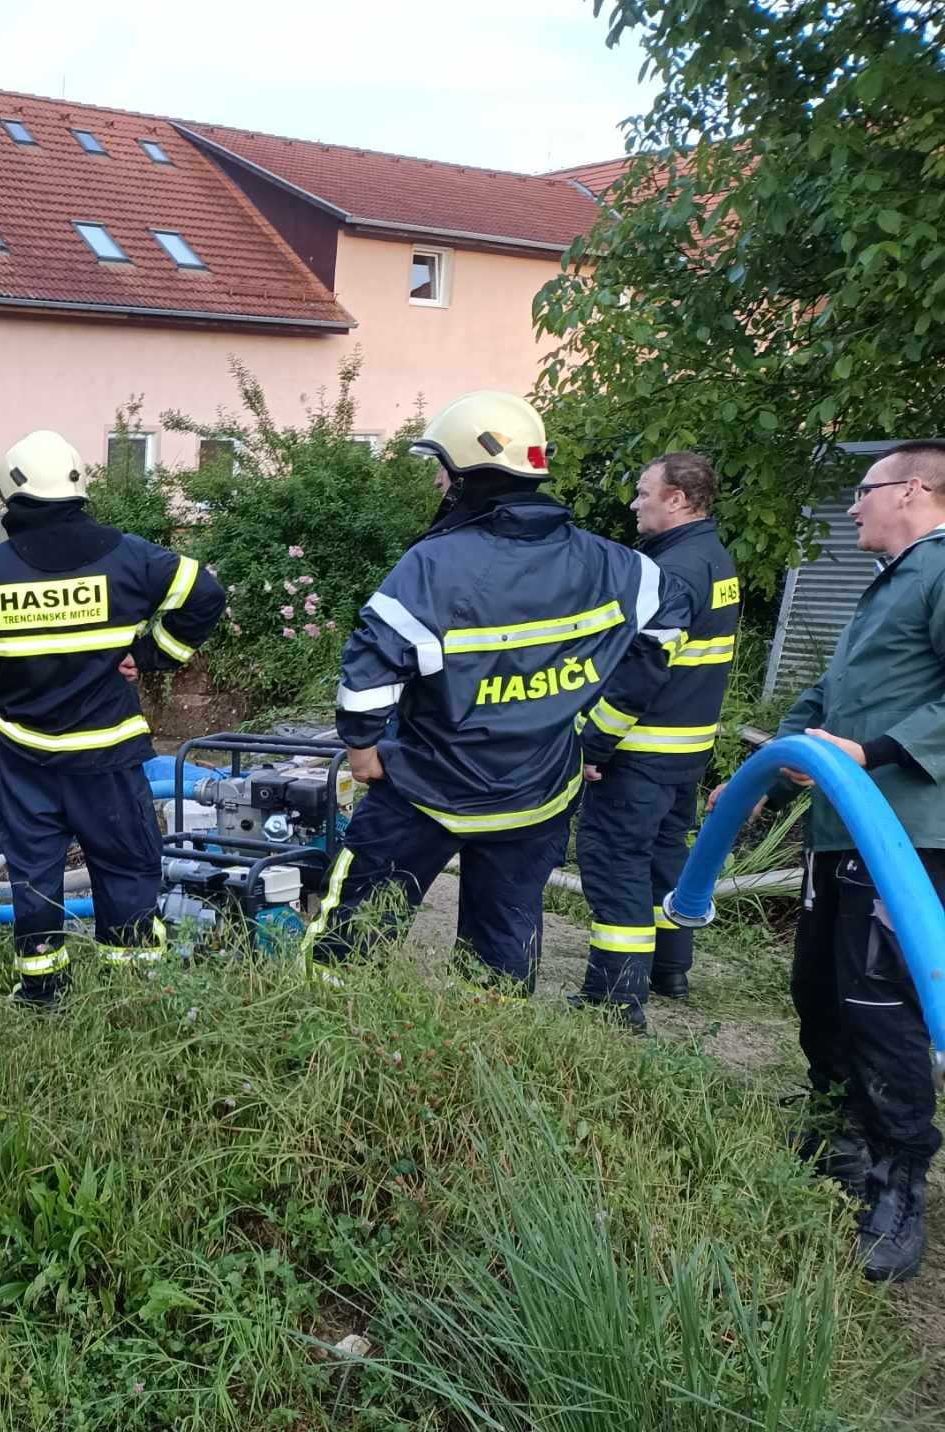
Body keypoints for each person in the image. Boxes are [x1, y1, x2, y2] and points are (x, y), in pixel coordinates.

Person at [305, 391, 691, 988]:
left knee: (353, 940)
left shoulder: (433, 565)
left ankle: (322, 1045)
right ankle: (486, 1054)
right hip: (534, 795)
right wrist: (600, 731)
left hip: (423, 788)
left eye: (442, 468)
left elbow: (368, 674)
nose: (437, 481)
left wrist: (361, 754)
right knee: (501, 959)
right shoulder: (615, 565)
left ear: (466, 476)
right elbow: (672, 617)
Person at [718, 440, 945, 1283]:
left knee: (879, 1007)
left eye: (863, 491)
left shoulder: (942, 572)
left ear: (912, 490)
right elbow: (833, 702)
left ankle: (898, 1184)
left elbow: (888, 722)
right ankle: (839, 1132)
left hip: (908, 835)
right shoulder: (889, 587)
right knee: (818, 987)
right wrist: (767, 774)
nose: (852, 508)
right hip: (839, 830)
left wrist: (874, 750)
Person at [0, 429, 225, 1003]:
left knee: (33, 875)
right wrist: (155, 654)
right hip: (109, 756)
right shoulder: (129, 556)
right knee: (128, 868)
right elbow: (204, 593)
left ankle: (42, 992)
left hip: (25, 759)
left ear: (10, 494)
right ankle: (132, 992)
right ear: (79, 486)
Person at [571, 452, 739, 1029]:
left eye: (644, 493)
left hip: (641, 752)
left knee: (617, 866)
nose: (635, 503)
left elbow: (643, 668)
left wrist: (596, 744)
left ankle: (615, 998)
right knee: (667, 860)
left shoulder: (675, 570)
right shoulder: (714, 559)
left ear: (677, 499)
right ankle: (670, 969)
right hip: (688, 752)